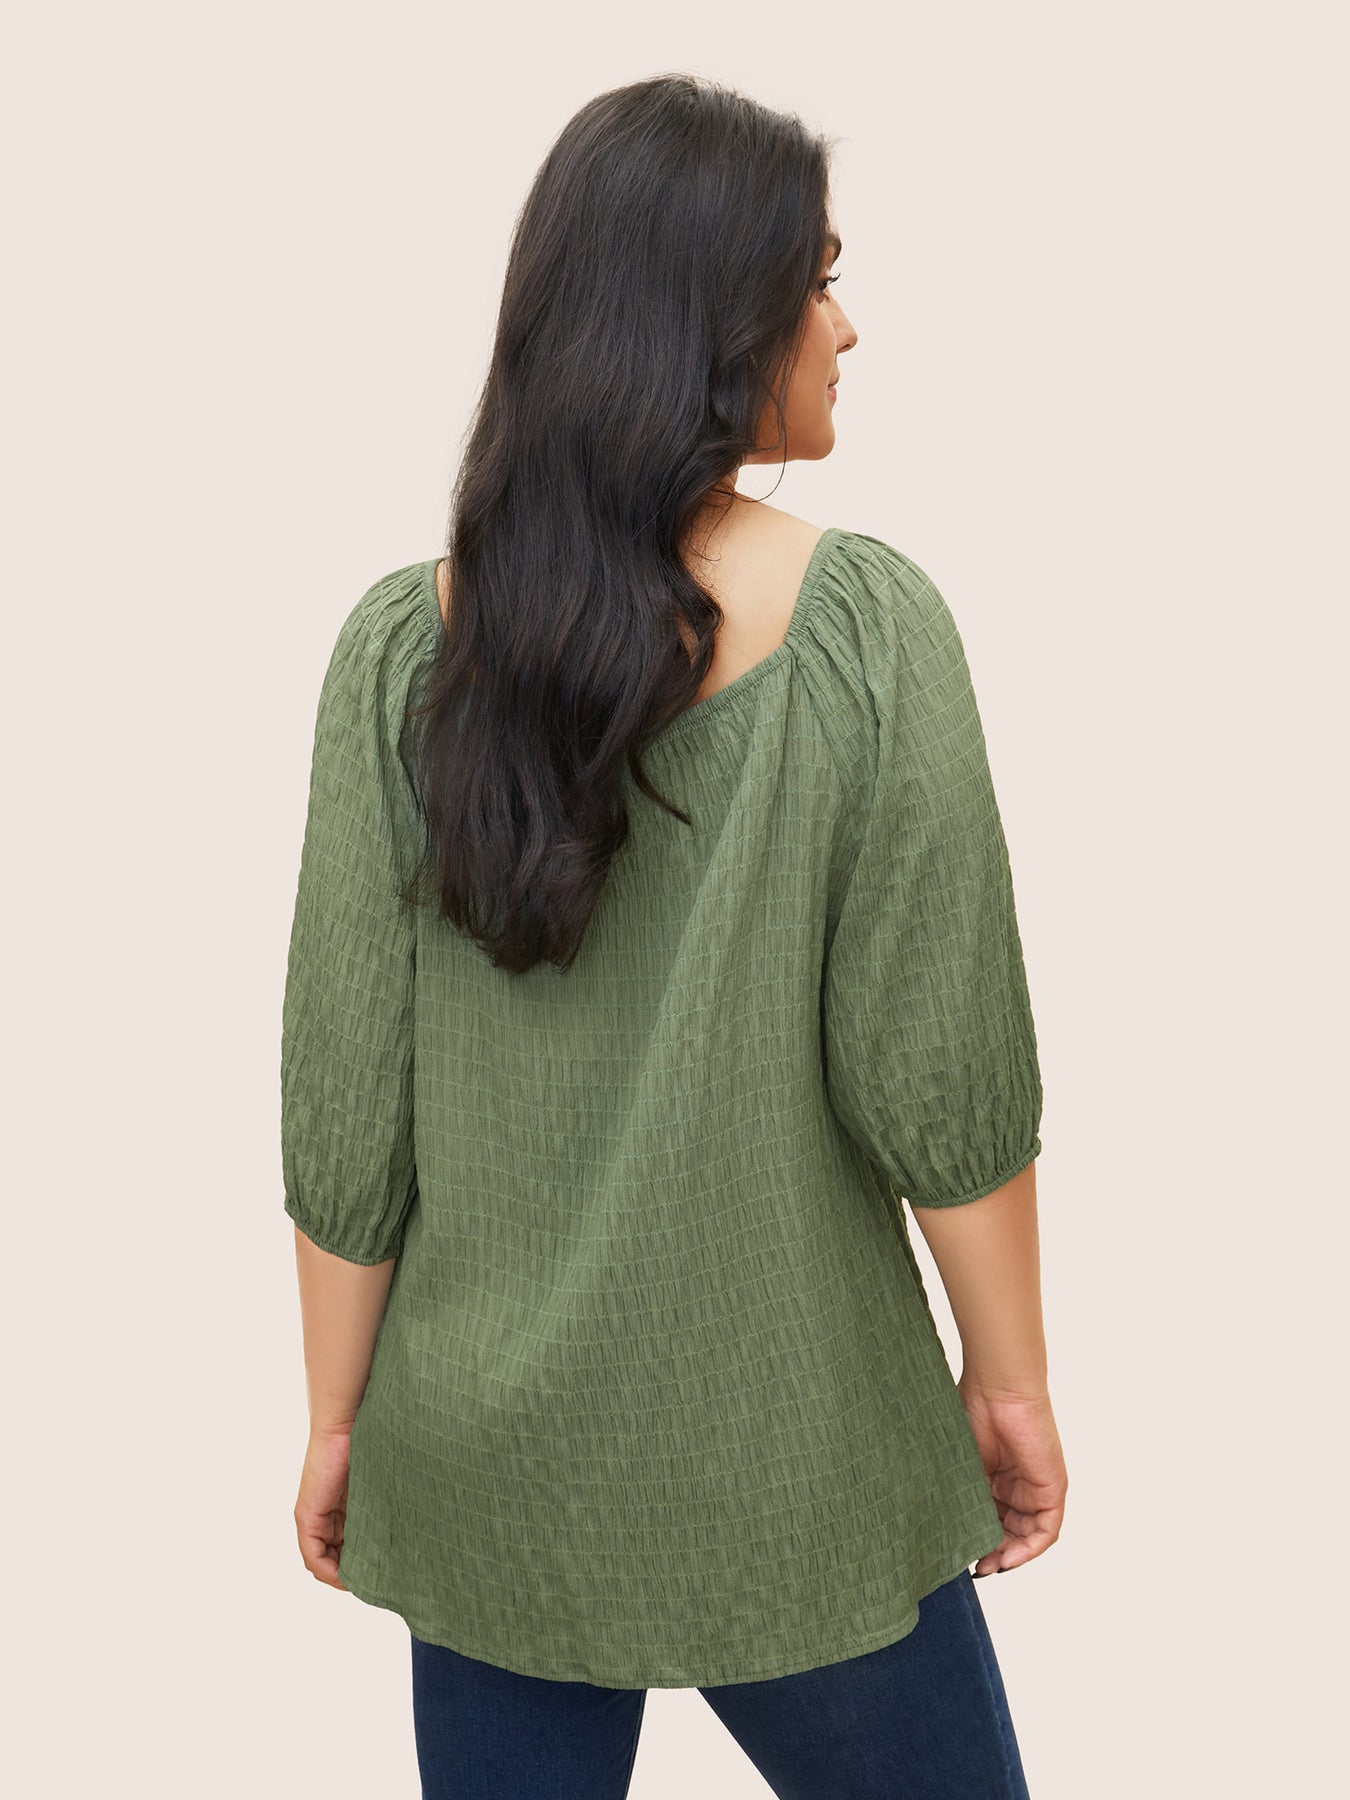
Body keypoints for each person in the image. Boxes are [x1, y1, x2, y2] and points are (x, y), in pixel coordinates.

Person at [281, 72, 1067, 1800]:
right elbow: (938, 1073)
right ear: (711, 324)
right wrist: (1008, 1383)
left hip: (482, 1465)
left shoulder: (400, 656)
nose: (846, 327)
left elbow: (348, 1106)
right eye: (818, 282)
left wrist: (338, 1417)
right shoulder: (867, 630)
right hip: (800, 1453)